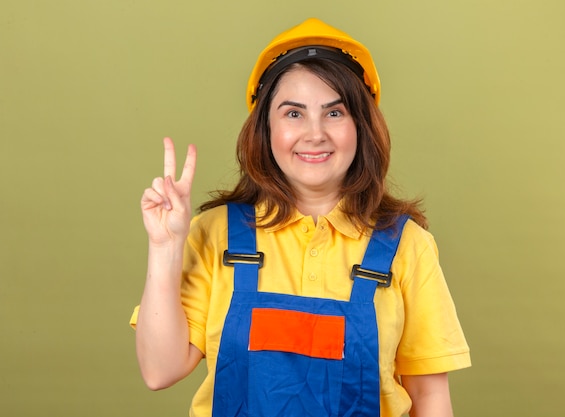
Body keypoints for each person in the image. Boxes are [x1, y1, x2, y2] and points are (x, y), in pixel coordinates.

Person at [130, 17, 471, 417]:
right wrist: (164, 248)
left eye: (334, 113)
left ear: (362, 127)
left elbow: (430, 399)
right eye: (293, 114)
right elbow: (159, 370)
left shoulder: (406, 247)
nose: (314, 134)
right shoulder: (215, 234)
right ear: (265, 127)